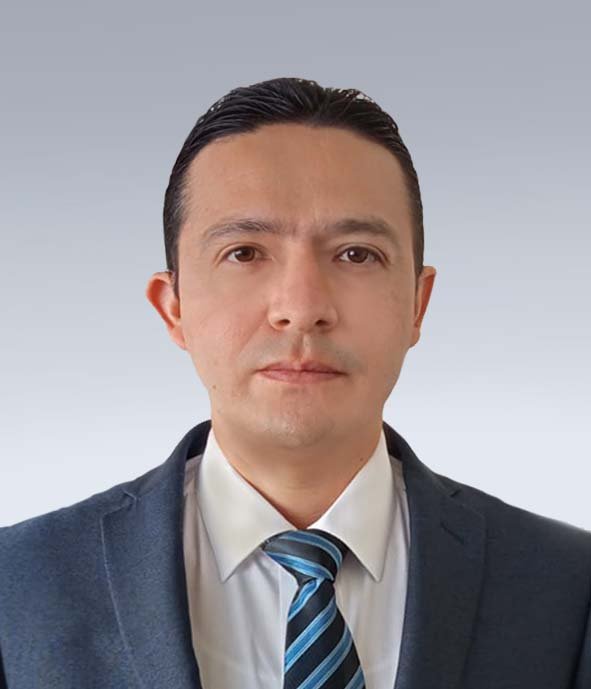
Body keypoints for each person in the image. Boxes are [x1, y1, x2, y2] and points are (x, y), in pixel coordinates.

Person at [0, 77, 589, 689]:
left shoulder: (568, 587)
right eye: (245, 253)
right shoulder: (17, 584)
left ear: (418, 303)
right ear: (173, 307)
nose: (303, 308)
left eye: (356, 254)